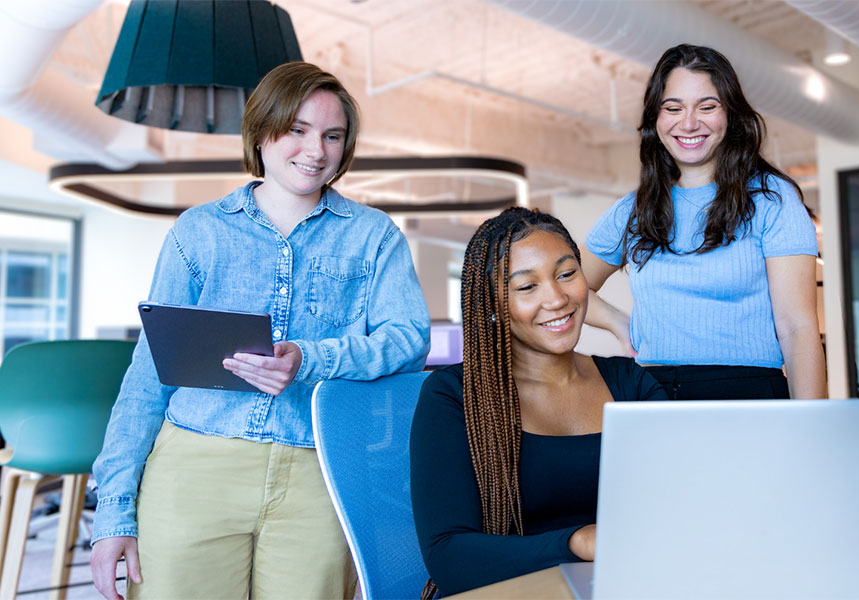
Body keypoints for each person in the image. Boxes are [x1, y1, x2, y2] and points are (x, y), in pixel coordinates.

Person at [89, 62, 430, 600]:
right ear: (261, 131)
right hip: (195, 466)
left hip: (319, 470)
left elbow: (409, 341)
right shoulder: (198, 232)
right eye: (297, 129)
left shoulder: (374, 237)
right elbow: (148, 374)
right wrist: (113, 512)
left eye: (332, 135)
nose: (316, 150)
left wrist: (310, 358)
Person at [410, 208, 667, 597]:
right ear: (494, 303)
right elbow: (449, 556)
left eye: (566, 274)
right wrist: (576, 542)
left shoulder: (631, 383)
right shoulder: (455, 395)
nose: (557, 299)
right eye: (527, 287)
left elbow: (677, 505)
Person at [583, 44, 826, 401]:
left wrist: (811, 427)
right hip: (653, 392)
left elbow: (797, 327)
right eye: (673, 108)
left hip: (748, 393)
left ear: (730, 115)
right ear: (656, 119)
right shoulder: (633, 211)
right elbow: (565, 291)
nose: (689, 123)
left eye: (707, 106)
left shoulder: (772, 200)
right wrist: (619, 323)